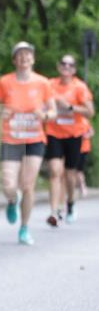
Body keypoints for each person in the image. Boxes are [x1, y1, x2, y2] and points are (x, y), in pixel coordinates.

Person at [0, 42, 54, 245]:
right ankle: (11, 200)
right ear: (14, 60)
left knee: (27, 185)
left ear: (33, 59)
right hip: (11, 138)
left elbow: (52, 112)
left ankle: (24, 228)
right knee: (9, 184)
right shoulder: (5, 82)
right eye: (20, 55)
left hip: (34, 140)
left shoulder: (43, 83)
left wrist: (44, 115)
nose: (24, 58)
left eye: (28, 54)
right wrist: (2, 111)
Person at [44, 55, 94, 225]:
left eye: (70, 64)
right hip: (54, 132)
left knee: (70, 174)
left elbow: (90, 112)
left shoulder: (80, 87)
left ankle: (70, 204)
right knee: (54, 170)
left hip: (74, 134)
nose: (66, 66)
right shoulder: (50, 84)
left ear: (74, 69)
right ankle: (54, 211)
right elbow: (40, 102)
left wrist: (70, 107)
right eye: (63, 63)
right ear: (58, 67)